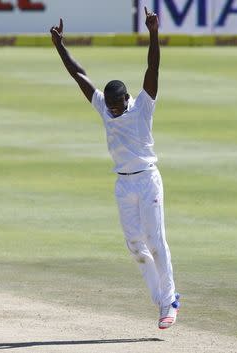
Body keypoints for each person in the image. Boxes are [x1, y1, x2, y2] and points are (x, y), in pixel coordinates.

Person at [50, 7, 180, 329]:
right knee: (136, 246)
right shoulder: (106, 108)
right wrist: (60, 47)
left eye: (116, 105)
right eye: (108, 106)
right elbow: (79, 76)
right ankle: (160, 300)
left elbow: (153, 68)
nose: (112, 111)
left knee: (155, 240)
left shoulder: (143, 108)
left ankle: (170, 300)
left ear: (127, 99)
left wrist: (152, 33)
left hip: (148, 179)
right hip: (123, 184)